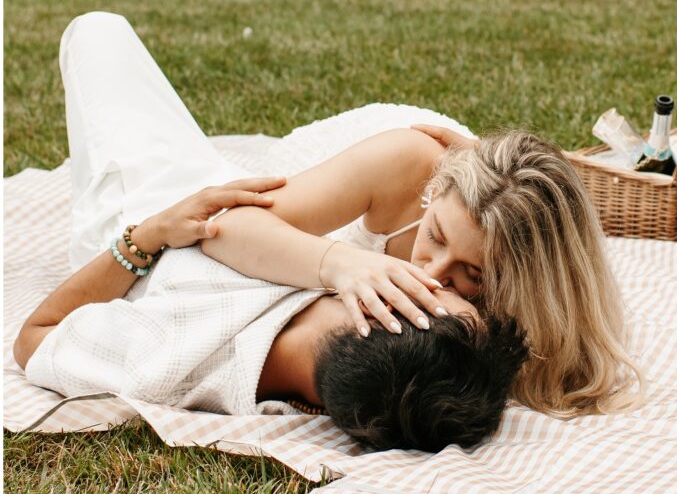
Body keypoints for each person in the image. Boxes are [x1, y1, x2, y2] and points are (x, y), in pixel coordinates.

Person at [15, 11, 640, 430]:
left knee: (100, 34)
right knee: (98, 30)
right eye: (436, 236)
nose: (430, 271)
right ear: (436, 194)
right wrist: (340, 260)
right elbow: (226, 220)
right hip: (199, 207)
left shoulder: (468, 346)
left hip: (156, 246)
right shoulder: (419, 169)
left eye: (471, 276)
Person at [14, 180, 528, 452]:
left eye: (436, 293)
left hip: (133, 206)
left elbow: (35, 336)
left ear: (385, 309)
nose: (436, 277)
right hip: (220, 193)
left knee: (96, 31)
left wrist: (144, 236)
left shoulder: (164, 358)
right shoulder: (331, 373)